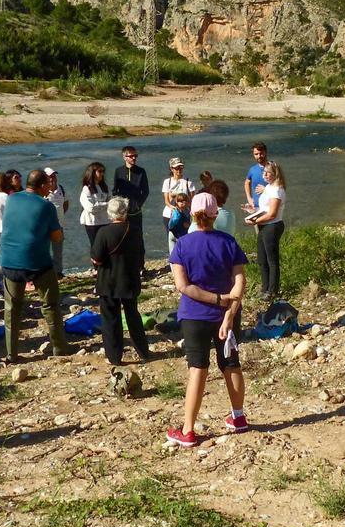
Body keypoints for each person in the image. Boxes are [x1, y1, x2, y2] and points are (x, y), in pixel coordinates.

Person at [165, 192, 249, 447]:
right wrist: (228, 308)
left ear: (192, 213)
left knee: (197, 368)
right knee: (231, 363)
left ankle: (188, 430)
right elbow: (240, 282)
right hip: (226, 315)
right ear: (216, 215)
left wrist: (215, 299)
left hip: (195, 314)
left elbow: (183, 286)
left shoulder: (182, 244)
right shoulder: (229, 242)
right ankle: (238, 417)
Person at [0, 170, 75, 359]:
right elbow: (57, 236)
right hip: (37, 262)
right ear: (42, 185)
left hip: (9, 260)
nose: (51, 186)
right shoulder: (46, 205)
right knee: (50, 305)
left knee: (12, 308)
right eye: (49, 183)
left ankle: (12, 353)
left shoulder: (11, 199)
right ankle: (60, 347)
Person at [90, 197, 151, 365]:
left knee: (110, 320)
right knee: (133, 316)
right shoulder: (135, 230)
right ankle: (143, 351)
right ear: (125, 212)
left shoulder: (104, 232)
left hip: (108, 281)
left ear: (110, 213)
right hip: (129, 279)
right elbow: (140, 255)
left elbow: (96, 257)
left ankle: (114, 357)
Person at [246, 161, 286, 300]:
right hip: (265, 225)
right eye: (264, 172)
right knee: (262, 259)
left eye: (268, 173)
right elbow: (265, 209)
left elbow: (272, 214)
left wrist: (254, 221)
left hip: (273, 225)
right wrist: (252, 211)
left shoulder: (277, 190)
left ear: (275, 174)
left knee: (272, 260)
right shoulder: (268, 188)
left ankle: (272, 290)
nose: (265, 175)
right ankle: (264, 288)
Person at [112, 146, 150, 238]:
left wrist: (138, 204)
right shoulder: (118, 171)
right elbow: (114, 190)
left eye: (135, 156)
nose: (134, 158)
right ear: (124, 157)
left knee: (137, 235)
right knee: (123, 235)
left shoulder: (141, 171)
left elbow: (145, 191)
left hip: (135, 211)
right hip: (122, 211)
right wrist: (118, 204)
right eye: (131, 156)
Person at [43, 167, 69, 277]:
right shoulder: (41, 191)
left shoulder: (61, 189)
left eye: (54, 175)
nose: (52, 178)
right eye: (50, 176)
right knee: (44, 250)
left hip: (59, 225)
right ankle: (45, 272)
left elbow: (66, 204)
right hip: (44, 227)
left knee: (58, 251)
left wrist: (60, 215)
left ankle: (58, 272)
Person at [161, 156, 196, 240]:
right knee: (171, 238)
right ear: (171, 169)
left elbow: (192, 201)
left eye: (181, 167)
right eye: (176, 168)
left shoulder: (188, 182)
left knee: (185, 238)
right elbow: (167, 201)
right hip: (169, 215)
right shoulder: (167, 182)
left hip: (184, 215)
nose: (179, 170)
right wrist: (174, 208)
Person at [79, 162, 111, 248]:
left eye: (103, 171)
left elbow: (111, 200)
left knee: (106, 247)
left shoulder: (104, 187)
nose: (102, 174)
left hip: (105, 221)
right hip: (92, 223)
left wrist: (101, 205)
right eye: (100, 171)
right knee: (96, 248)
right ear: (92, 173)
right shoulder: (86, 189)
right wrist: (106, 204)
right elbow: (90, 208)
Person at [243, 141, 269, 212]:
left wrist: (266, 190)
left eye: (261, 153)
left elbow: (280, 186)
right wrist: (249, 199)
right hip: (255, 207)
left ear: (265, 152)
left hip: (269, 207)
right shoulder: (252, 169)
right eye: (256, 154)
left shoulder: (273, 168)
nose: (259, 156)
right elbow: (247, 183)